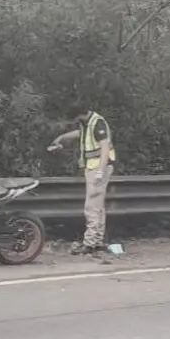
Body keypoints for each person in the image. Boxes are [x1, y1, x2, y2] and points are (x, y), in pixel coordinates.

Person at [48, 107, 116, 255]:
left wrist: (100, 171)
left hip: (98, 168)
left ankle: (90, 243)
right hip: (93, 168)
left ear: (79, 115)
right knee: (98, 206)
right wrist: (62, 137)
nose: (74, 122)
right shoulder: (88, 123)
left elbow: (105, 148)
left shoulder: (97, 123)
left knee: (91, 207)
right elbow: (81, 133)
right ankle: (97, 241)